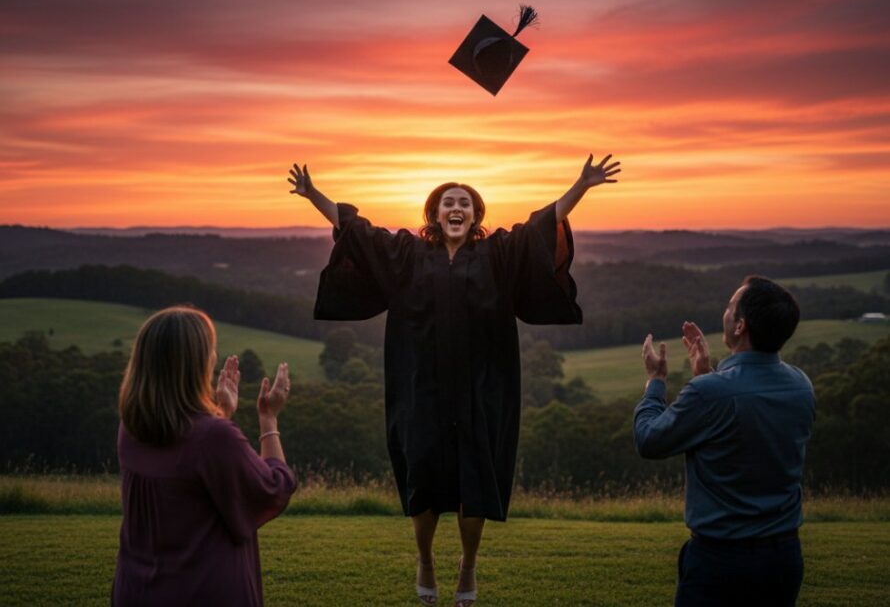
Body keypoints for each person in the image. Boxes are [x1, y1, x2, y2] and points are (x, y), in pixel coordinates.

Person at [288, 153, 620, 605]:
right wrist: (313, 195)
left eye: (464, 202)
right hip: (419, 388)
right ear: (434, 214)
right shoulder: (407, 255)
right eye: (448, 202)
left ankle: (467, 566)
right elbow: (358, 233)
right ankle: (424, 558)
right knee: (422, 476)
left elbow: (541, 226)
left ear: (476, 215)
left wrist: (580, 186)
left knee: (475, 481)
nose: (456, 208)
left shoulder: (498, 255)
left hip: (482, 390)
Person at [634, 276, 816, 607]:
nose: (725, 311)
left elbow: (649, 440)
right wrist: (705, 375)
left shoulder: (712, 393)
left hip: (720, 563)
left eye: (731, 306)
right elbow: (742, 432)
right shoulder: (801, 385)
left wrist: (656, 382)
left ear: (739, 326)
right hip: (784, 559)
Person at [112, 306, 296, 606]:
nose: (213, 357)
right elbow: (272, 489)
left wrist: (221, 413)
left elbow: (185, 472)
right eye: (210, 350)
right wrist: (268, 418)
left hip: (137, 590)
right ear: (193, 363)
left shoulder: (131, 429)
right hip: (202, 591)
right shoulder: (213, 438)